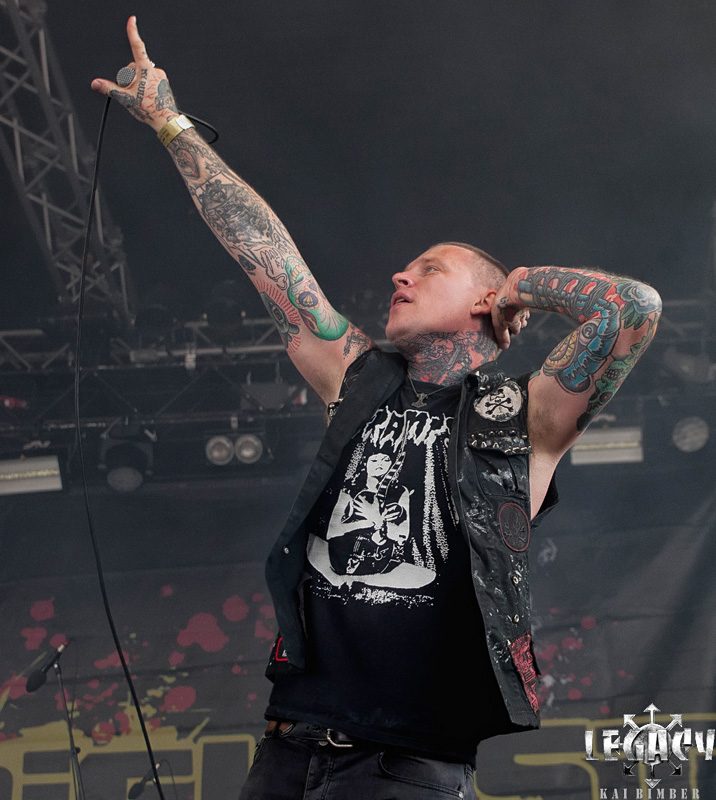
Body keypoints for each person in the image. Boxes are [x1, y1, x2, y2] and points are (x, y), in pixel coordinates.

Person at [91, 17, 663, 800]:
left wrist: (523, 284)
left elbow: (632, 308)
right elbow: (263, 250)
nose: (401, 276)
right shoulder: (356, 375)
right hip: (289, 743)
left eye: (429, 269)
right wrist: (169, 124)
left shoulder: (525, 414)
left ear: (486, 302)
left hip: (407, 763)